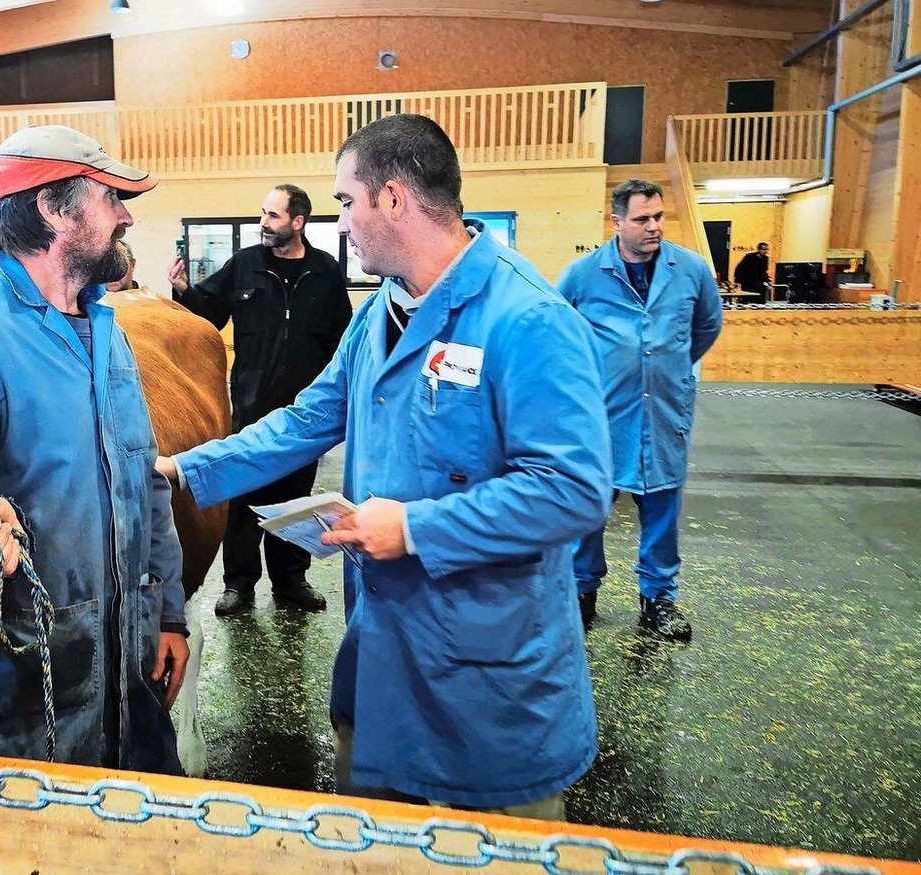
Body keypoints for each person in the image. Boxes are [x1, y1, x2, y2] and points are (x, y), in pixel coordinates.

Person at [160, 114, 612, 818]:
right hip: (384, 657)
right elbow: (308, 418)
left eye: (346, 202)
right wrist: (186, 470)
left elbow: (573, 490)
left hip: (487, 681)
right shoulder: (381, 314)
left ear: (393, 200)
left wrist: (414, 527)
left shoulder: (526, 318)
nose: (340, 224)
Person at [0, 125, 189, 774]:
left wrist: (169, 615)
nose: (126, 214)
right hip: (27, 700)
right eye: (111, 198)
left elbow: (147, 480)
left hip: (132, 676)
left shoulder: (107, 330)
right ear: (53, 208)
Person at [167, 184, 351, 616]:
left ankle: (291, 582)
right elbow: (207, 316)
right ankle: (239, 585)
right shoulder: (245, 266)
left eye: (273, 216)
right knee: (242, 501)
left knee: (295, 501)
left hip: (306, 416)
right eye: (263, 214)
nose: (264, 223)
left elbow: (341, 339)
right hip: (251, 407)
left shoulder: (324, 272)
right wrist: (183, 291)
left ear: (298, 222)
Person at [557, 179, 723, 641]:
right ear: (616, 222)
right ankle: (579, 591)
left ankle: (659, 600)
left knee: (663, 505)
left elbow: (707, 326)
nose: (654, 227)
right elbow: (556, 332)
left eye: (659, 217)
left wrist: (668, 368)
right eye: (642, 219)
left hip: (665, 412)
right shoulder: (584, 274)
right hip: (601, 416)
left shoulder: (689, 270)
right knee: (590, 507)